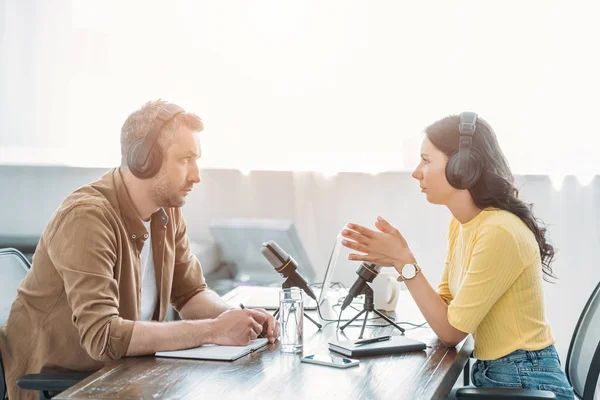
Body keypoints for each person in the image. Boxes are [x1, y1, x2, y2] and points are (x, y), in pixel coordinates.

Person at [0, 100, 280, 400]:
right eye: (185, 159)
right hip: (65, 387)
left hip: (126, 376)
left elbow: (191, 295)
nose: (196, 175)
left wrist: (240, 320)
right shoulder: (87, 217)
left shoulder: (167, 212)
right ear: (144, 159)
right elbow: (103, 337)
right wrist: (213, 330)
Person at [340, 113, 574, 399]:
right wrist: (401, 259)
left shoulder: (498, 231)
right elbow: (448, 307)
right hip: (500, 378)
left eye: (426, 160)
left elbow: (451, 333)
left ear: (462, 168)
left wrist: (405, 262)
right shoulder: (463, 225)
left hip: (525, 383)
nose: (417, 172)